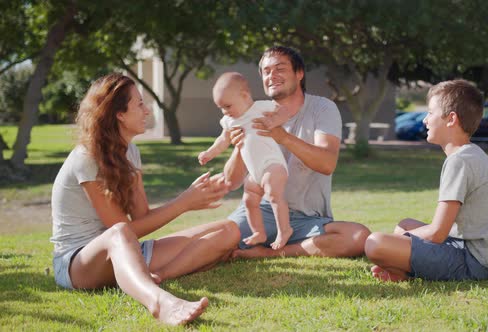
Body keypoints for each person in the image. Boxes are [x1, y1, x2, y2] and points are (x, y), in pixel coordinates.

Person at [50, 73, 240, 325]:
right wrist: (184, 203)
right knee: (119, 233)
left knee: (228, 230)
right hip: (78, 263)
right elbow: (124, 230)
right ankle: (159, 302)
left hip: (127, 250)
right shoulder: (86, 157)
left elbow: (141, 219)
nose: (147, 110)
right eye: (139, 104)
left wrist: (190, 201)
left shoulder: (130, 150)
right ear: (119, 113)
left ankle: (154, 276)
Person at [222, 46, 371, 258]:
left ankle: (269, 254)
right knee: (216, 239)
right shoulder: (252, 114)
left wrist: (282, 136)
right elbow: (232, 182)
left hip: (308, 220)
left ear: (299, 73)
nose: (271, 76)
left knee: (358, 236)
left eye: (279, 69)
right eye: (266, 71)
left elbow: (327, 164)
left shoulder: (322, 108)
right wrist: (240, 148)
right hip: (263, 213)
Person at [365, 79, 488, 282]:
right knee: (405, 225)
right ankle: (401, 270)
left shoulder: (459, 161)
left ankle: (403, 269)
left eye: (430, 113)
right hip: (475, 251)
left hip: (476, 263)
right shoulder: (470, 154)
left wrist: (395, 244)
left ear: (451, 119)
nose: (425, 120)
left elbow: (437, 233)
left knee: (375, 243)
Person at [198, 72, 292, 250]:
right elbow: (222, 140)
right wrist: (209, 153)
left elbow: (285, 111)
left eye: (227, 106)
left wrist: (274, 120)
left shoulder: (260, 108)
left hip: (273, 165)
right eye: (221, 108)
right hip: (255, 172)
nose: (225, 111)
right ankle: (259, 232)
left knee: (273, 194)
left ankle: (284, 230)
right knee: (249, 199)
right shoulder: (229, 121)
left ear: (244, 95)